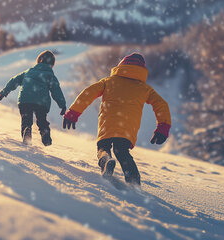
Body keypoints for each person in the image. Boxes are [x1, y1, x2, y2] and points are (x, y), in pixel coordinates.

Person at [62, 53, 171, 186]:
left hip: (107, 123)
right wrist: (163, 127)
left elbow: (88, 93)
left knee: (103, 147)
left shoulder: (108, 82)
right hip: (127, 127)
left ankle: (105, 159)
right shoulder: (145, 89)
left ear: (121, 66)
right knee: (122, 151)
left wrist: (73, 113)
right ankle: (133, 181)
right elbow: (161, 105)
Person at [0, 50, 67, 146]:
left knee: (26, 119)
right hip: (41, 102)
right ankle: (45, 134)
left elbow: (14, 81)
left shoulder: (28, 71)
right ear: (52, 65)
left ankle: (27, 131)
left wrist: (4, 92)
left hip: (25, 100)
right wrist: (62, 105)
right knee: (42, 120)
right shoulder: (50, 76)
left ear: (38, 61)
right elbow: (56, 91)